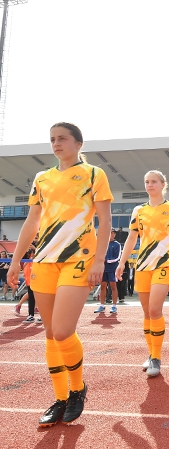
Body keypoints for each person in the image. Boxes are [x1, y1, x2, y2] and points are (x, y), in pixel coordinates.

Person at [7, 122, 113, 427]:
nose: (56, 143)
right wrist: (16, 262)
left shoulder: (94, 174)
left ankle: (78, 388)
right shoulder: (42, 178)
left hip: (78, 259)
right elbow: (32, 221)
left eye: (62, 138)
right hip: (43, 261)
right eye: (52, 139)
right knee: (51, 334)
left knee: (64, 331)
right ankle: (60, 397)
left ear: (78, 143)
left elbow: (105, 221)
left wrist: (99, 261)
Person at [116, 170, 169, 377]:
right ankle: (150, 353)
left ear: (163, 184)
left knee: (155, 310)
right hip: (142, 266)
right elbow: (131, 239)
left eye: (154, 181)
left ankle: (156, 357)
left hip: (165, 264)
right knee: (147, 313)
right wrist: (122, 263)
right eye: (146, 181)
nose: (150, 185)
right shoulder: (138, 211)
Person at [94, 229, 122, 314]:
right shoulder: (102, 244)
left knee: (113, 286)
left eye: (113, 233)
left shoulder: (117, 244)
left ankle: (114, 306)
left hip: (113, 268)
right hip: (103, 268)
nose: (112, 235)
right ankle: (102, 305)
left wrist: (107, 260)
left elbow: (117, 257)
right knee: (103, 286)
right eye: (110, 233)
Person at [15, 248, 40, 324]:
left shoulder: (37, 260)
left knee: (38, 297)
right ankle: (31, 315)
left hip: (39, 281)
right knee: (31, 296)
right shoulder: (28, 261)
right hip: (31, 281)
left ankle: (38, 314)